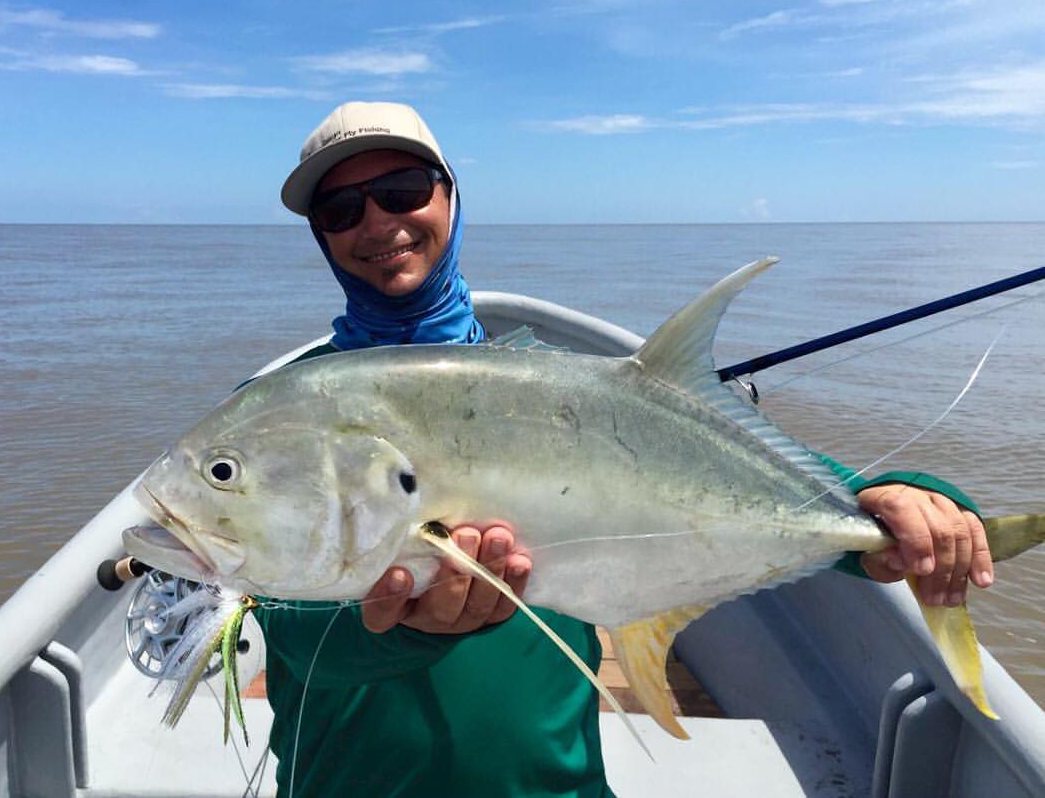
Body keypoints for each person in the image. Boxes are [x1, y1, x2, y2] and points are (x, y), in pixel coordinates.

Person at [255, 101, 994, 797]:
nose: (377, 221)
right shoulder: (282, 416)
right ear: (321, 234)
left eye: (402, 188)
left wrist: (893, 498)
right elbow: (284, 627)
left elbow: (689, 458)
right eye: (341, 208)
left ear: (449, 195)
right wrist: (395, 625)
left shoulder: (559, 391)